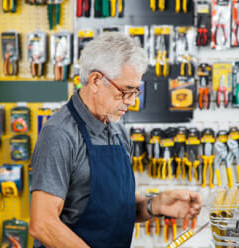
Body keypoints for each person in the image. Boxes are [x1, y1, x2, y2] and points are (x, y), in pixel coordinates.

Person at [29, 32, 202, 248]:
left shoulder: (117, 130)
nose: (130, 102)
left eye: (135, 91)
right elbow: (43, 223)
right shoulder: (59, 134)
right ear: (95, 81)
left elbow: (113, 207)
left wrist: (154, 205)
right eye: (125, 91)